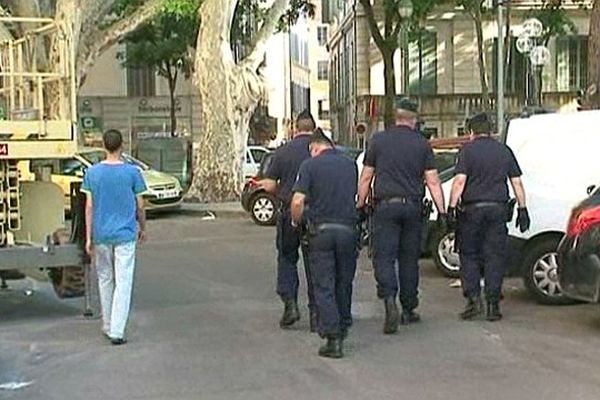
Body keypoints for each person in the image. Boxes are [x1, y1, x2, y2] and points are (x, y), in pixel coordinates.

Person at [357, 98, 446, 335]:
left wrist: (360, 204)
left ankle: (388, 301)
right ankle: (408, 308)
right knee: (409, 259)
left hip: (385, 207)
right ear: (414, 120)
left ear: (396, 118)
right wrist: (443, 211)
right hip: (413, 207)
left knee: (384, 257)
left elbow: (366, 177)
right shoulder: (422, 144)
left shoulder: (378, 141)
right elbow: (433, 180)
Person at [447, 112, 530, 321]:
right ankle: (493, 303)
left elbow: (459, 181)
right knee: (495, 256)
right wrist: (522, 208)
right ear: (490, 131)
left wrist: (451, 207)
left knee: (470, 255)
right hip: (497, 210)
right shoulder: (504, 151)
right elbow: (517, 182)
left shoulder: (467, 151)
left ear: (472, 132)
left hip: (472, 211)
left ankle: (473, 300)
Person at [290, 129, 358, 358]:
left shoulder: (310, 166)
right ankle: (344, 322)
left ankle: (333, 337)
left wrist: (295, 220)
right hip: (348, 231)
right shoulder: (350, 165)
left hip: (321, 232)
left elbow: (298, 201)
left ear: (315, 148)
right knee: (344, 281)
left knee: (324, 285)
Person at [83, 129, 147, 345]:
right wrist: (143, 228)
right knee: (124, 281)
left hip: (101, 234)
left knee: (104, 278)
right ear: (122, 146)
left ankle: (107, 323)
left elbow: (89, 207)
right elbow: (140, 205)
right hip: (125, 234)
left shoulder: (92, 173)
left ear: (104, 146)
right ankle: (117, 330)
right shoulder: (133, 173)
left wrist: (88, 237)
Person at [259, 110, 317, 330]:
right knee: (315, 262)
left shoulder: (282, 152)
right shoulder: (321, 148)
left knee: (287, 259)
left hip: (287, 211)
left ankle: (290, 304)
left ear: (295, 128)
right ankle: (316, 313)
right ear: (313, 128)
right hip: (315, 213)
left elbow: (272, 184)